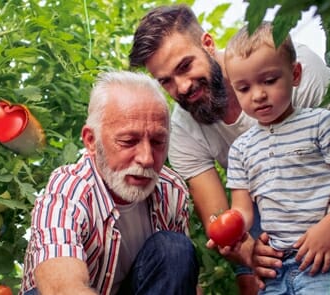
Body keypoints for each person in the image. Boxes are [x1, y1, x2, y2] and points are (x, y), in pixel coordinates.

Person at [129, 4, 330, 293]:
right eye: (166, 81)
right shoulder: (183, 127)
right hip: (256, 200)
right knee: (254, 279)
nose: (182, 87)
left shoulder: (290, 67)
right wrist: (247, 250)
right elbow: (219, 214)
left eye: (185, 66)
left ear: (208, 44)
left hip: (319, 189)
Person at [21, 70, 199, 295]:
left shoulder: (171, 191)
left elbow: (179, 282)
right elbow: (62, 287)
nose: (146, 158)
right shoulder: (68, 192)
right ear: (91, 140)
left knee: (174, 250)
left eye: (157, 141)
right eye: (128, 141)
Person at [217, 22, 330, 294]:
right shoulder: (240, 149)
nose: (258, 95)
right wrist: (229, 229)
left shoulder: (322, 124)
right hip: (276, 266)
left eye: (269, 81)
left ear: (295, 74)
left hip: (326, 258)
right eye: (244, 88)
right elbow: (243, 210)